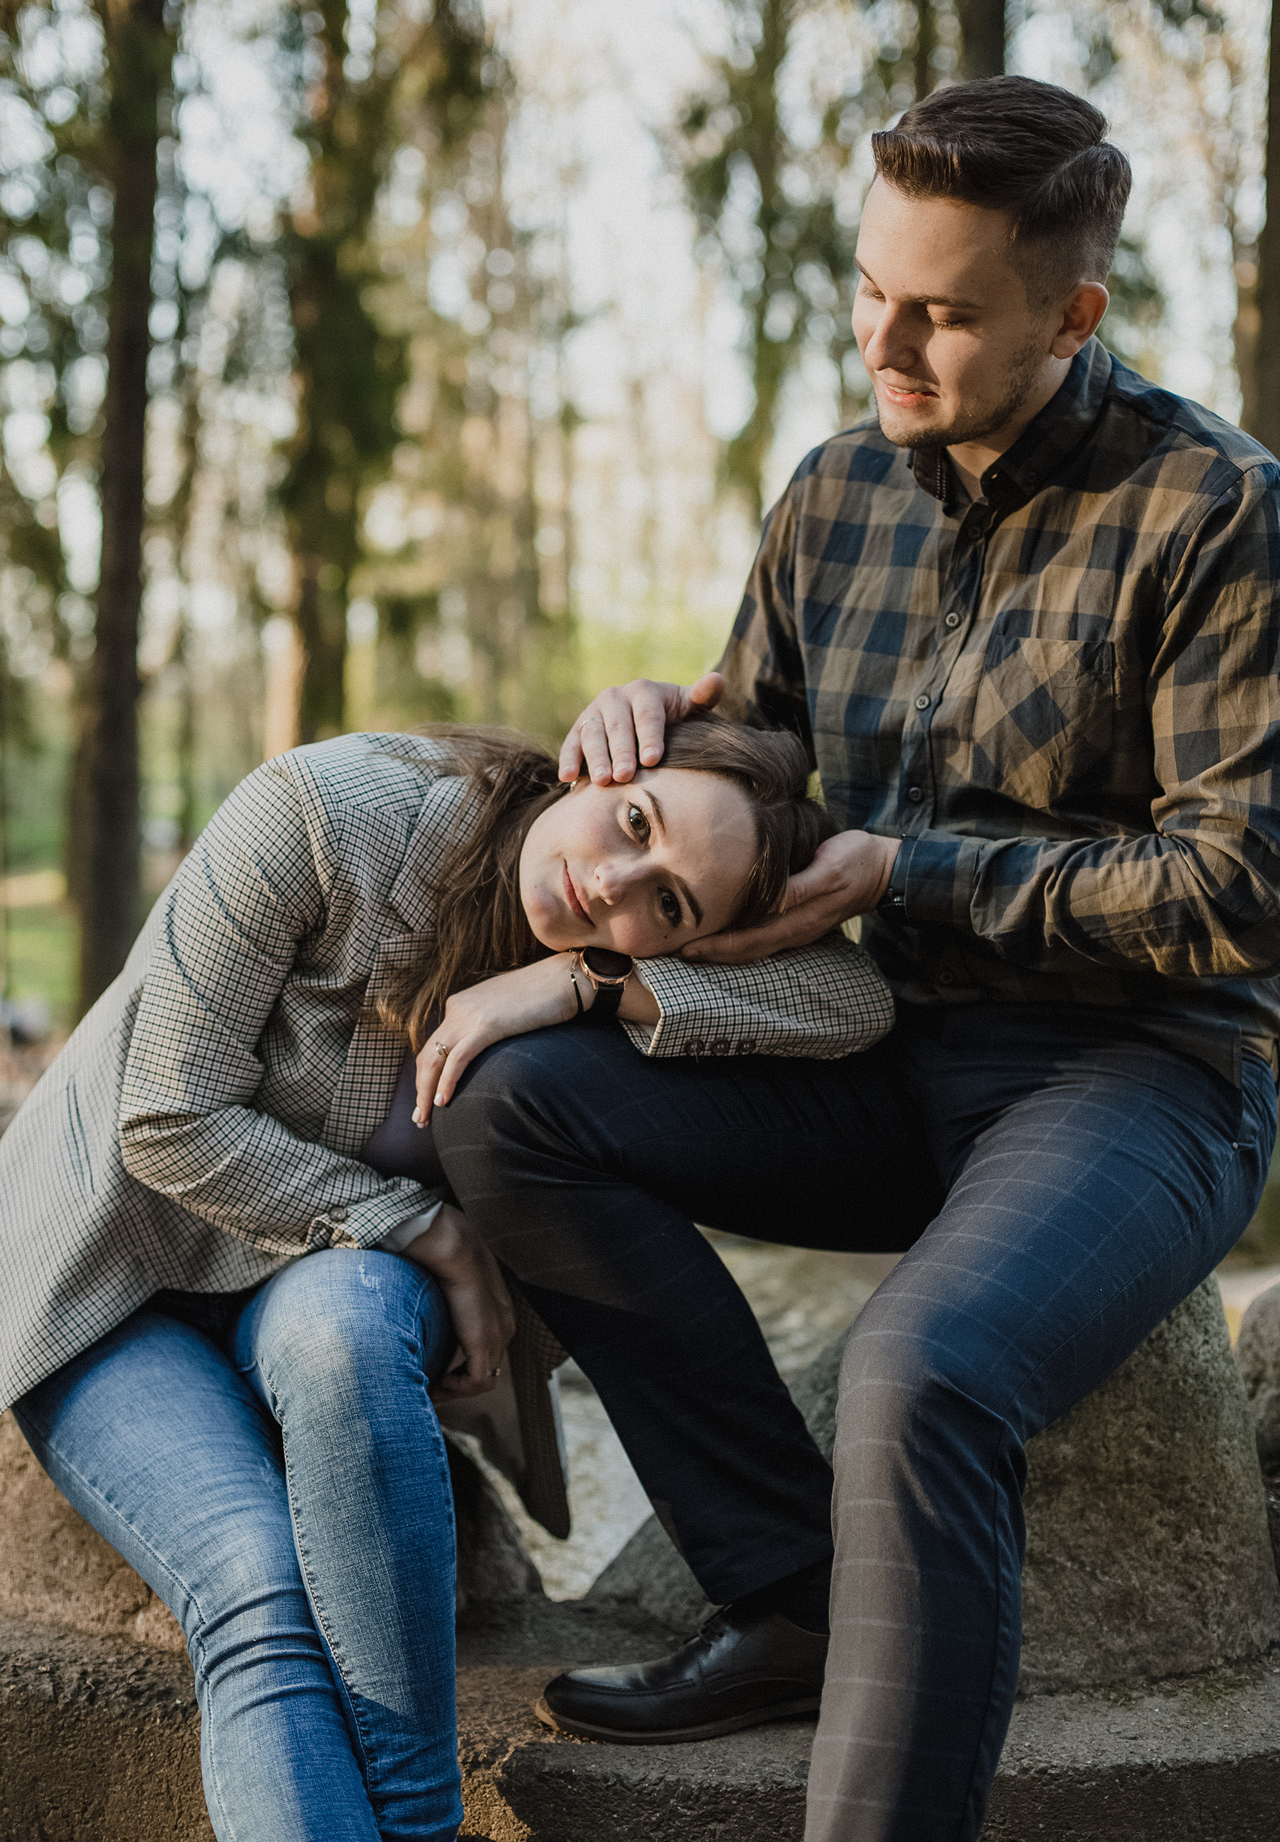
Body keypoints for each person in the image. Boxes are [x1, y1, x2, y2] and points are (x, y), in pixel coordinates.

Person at [426, 76, 1280, 1841]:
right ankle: (793, 1595)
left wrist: (928, 870)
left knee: (919, 1369)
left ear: (1073, 314)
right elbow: (759, 792)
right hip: (866, 1050)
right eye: (870, 289)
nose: (884, 342)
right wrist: (661, 731)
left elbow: (1242, 888)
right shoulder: (831, 497)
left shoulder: (1218, 512)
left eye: (943, 313)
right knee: (509, 1109)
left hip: (1134, 1082)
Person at [0, 718, 891, 1842]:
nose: (612, 884)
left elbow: (856, 1008)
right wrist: (429, 1229)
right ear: (602, 760)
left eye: (668, 906)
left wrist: (586, 983)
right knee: (258, 1590)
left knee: (348, 1341)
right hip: (115, 1272)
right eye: (633, 821)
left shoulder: (602, 959)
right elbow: (166, 1115)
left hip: (317, 1279)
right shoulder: (326, 815)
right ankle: (424, 1823)